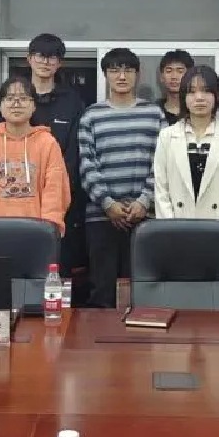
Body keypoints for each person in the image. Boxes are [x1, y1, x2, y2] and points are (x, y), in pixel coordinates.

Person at [79, 48, 166, 308]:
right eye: (114, 70)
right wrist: (108, 204)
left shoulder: (154, 114)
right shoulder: (91, 115)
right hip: (101, 217)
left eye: (128, 70)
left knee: (144, 293)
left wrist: (144, 201)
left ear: (137, 75)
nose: (121, 76)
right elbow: (86, 165)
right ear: (105, 75)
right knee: (102, 291)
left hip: (144, 217)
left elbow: (162, 163)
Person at [0, 76, 69, 233]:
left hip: (35, 234)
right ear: (0, 106)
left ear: (34, 106)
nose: (16, 104)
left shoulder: (47, 143)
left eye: (23, 98)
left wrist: (49, 230)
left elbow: (55, 193)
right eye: (10, 98)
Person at [27, 33, 88, 280]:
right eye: (40, 55)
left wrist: (59, 195)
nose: (45, 62)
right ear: (29, 59)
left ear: (59, 63)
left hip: (61, 204)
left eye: (52, 57)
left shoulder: (72, 102)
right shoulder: (18, 98)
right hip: (20, 198)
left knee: (58, 272)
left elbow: (74, 156)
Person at [154, 65, 219, 225]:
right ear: (183, 97)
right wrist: (169, 230)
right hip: (176, 228)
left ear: (217, 96)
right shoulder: (167, 136)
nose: (199, 98)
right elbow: (161, 189)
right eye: (192, 92)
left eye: (206, 91)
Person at [157, 49, 195, 126]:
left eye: (180, 71)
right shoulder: (154, 111)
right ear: (161, 76)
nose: (174, 77)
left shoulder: (197, 109)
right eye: (169, 71)